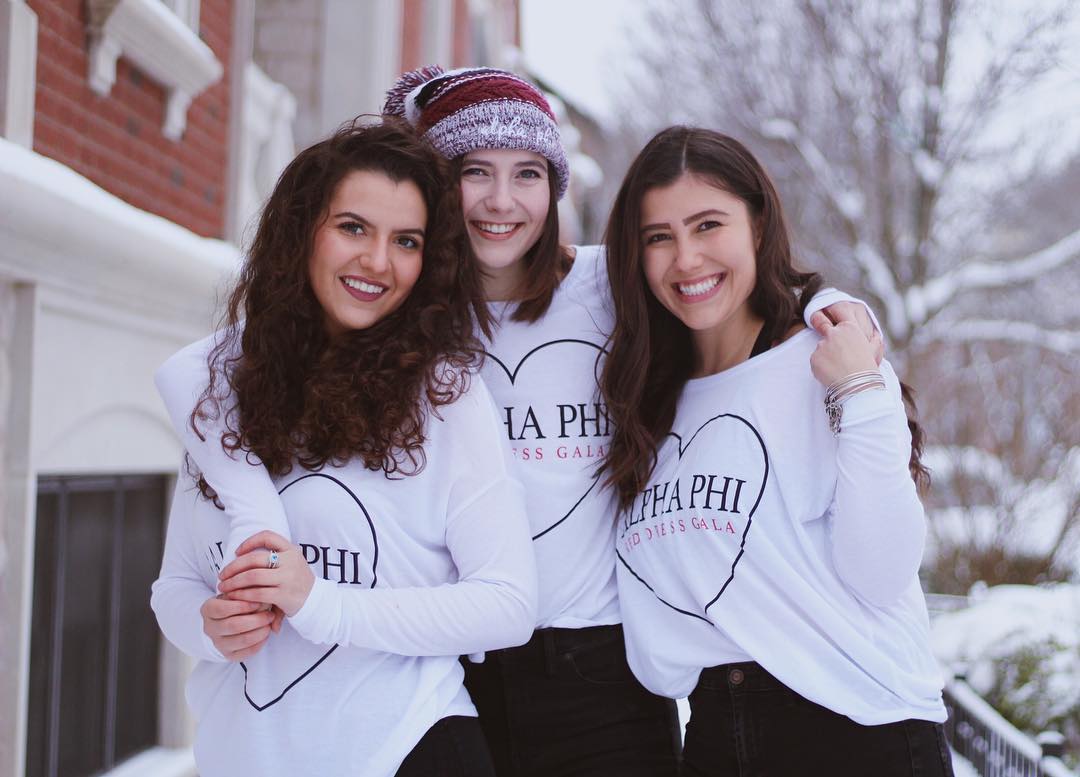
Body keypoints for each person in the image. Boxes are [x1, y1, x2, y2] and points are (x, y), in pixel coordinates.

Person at [380, 67, 889, 777]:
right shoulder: (403, 317)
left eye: (527, 173)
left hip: (599, 672)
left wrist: (833, 308)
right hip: (451, 666)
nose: (502, 200)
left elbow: (727, 284)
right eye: (474, 172)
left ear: (554, 187)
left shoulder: (605, 286)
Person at [150, 119, 537, 777]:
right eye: (354, 228)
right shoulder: (220, 393)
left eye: (406, 241)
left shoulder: (445, 398)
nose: (378, 262)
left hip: (405, 750)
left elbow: (508, 603)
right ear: (302, 231)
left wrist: (322, 604)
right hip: (244, 756)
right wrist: (210, 626)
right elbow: (175, 586)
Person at [599, 126, 951, 777]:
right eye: (658, 237)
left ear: (758, 225)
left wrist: (860, 390)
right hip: (713, 731)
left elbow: (884, 571)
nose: (686, 258)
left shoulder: (827, 356)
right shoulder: (647, 399)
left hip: (856, 730)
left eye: (708, 225)